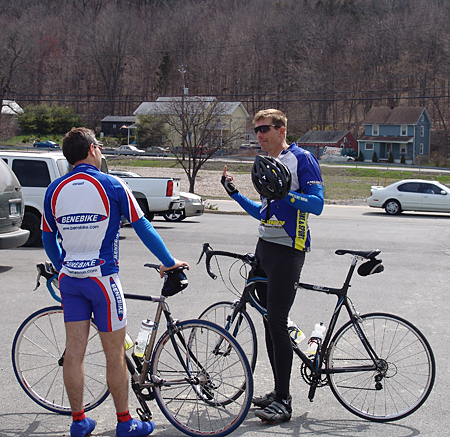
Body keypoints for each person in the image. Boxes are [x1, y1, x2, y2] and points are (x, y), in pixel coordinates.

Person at [41, 127, 189, 437]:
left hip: (71, 280)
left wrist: (60, 267)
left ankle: (79, 422)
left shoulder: (54, 189)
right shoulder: (112, 184)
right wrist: (169, 262)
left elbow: (46, 235)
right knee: (113, 355)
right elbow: (143, 226)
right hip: (102, 279)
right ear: (93, 149)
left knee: (74, 353)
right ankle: (125, 423)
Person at [221, 109, 324, 424]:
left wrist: (288, 195)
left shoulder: (301, 159)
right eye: (256, 131)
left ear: (281, 130)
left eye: (264, 129)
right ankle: (278, 392)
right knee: (267, 320)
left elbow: (317, 204)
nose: (259, 135)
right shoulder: (268, 165)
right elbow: (263, 213)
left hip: (288, 250)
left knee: (277, 321)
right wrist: (235, 193)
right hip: (265, 247)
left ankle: (285, 401)